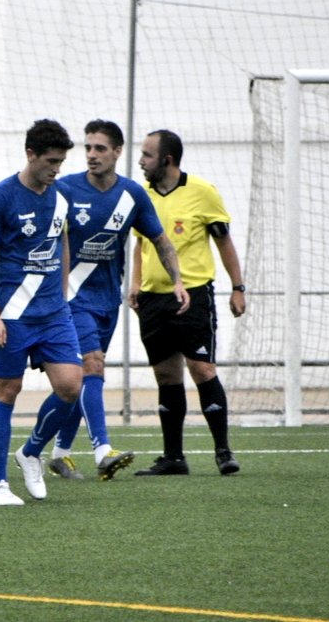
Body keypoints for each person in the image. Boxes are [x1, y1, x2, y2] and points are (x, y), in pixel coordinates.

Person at [51, 120, 190, 481]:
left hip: (107, 301)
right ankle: (102, 450)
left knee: (84, 382)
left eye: (100, 148)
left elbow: (160, 240)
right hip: (72, 299)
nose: (92, 155)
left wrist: (178, 282)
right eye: (88, 148)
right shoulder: (64, 189)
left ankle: (56, 452)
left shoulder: (131, 195)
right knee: (93, 367)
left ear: (117, 152)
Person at [0, 119, 84, 506]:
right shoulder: (0, 197)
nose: (56, 169)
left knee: (72, 385)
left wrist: (63, 292)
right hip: (12, 312)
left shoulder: (61, 196)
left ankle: (31, 451)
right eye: (51, 161)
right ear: (30, 154)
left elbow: (63, 243)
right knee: (6, 390)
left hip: (53, 313)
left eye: (61, 162)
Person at [128, 129, 245, 477]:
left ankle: (223, 451)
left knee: (202, 369)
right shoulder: (142, 195)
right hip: (152, 299)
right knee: (166, 374)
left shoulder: (203, 193)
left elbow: (224, 242)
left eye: (147, 155)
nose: (140, 161)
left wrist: (238, 287)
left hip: (193, 295)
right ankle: (173, 457)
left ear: (167, 159)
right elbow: (141, 244)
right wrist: (135, 283)